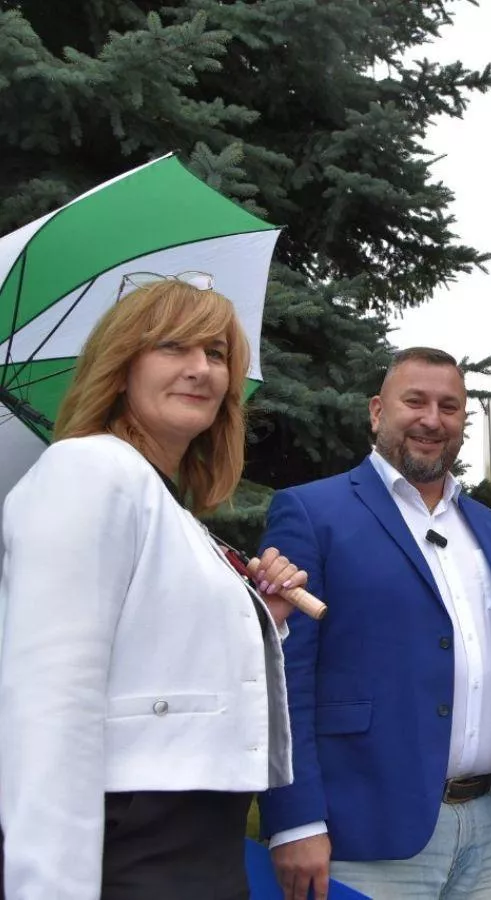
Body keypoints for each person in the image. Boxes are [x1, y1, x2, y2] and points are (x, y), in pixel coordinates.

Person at [0, 276, 305, 899]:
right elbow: (51, 706)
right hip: (134, 852)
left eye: (216, 354)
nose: (201, 370)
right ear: (121, 367)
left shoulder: (165, 503)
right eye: (174, 347)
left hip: (198, 846)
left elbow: (155, 656)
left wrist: (263, 616)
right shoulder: (87, 469)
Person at [257, 346, 491, 900]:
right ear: (378, 412)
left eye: (450, 407)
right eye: (416, 401)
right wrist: (296, 819)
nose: (433, 419)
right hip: (363, 832)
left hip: (486, 825)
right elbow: (282, 679)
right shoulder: (312, 512)